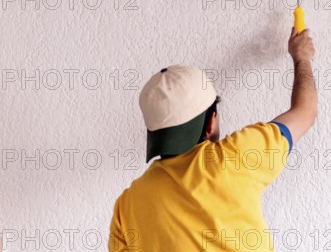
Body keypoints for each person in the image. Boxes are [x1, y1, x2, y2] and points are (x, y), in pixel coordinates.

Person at [108, 27, 317, 251]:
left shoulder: (127, 206)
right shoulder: (235, 157)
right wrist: (301, 57)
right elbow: (305, 112)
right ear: (211, 122)